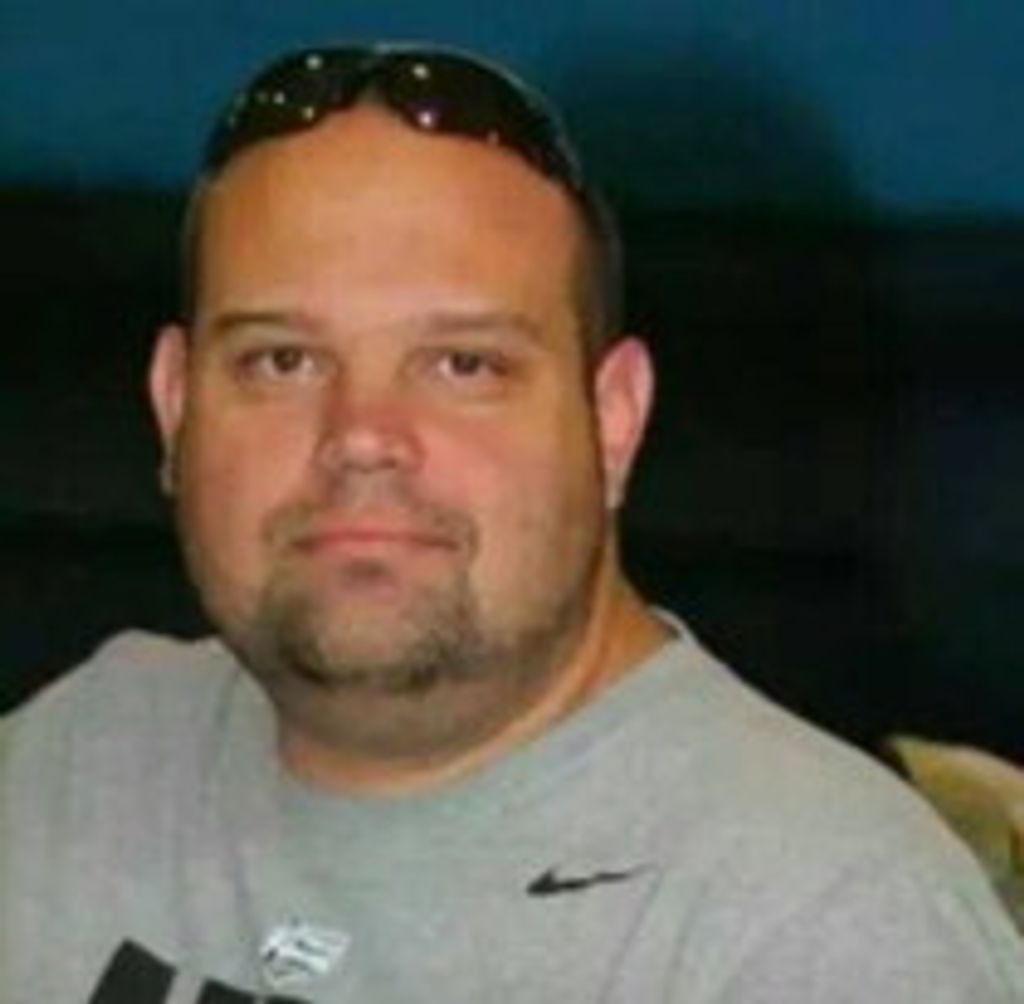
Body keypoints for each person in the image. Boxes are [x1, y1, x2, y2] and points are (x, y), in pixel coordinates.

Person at [1, 43, 1022, 1004]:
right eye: (282, 360)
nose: (361, 437)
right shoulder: (82, 756)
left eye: (464, 365)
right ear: (176, 408)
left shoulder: (820, 923)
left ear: (613, 421)